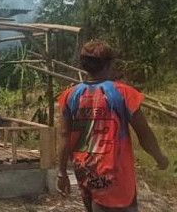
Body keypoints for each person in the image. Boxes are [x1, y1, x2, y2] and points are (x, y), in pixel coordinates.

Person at [57, 40, 169, 212]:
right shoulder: (122, 93)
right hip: (114, 176)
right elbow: (144, 134)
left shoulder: (70, 95)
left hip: (84, 171)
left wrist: (62, 172)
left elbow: (64, 136)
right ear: (109, 64)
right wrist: (160, 157)